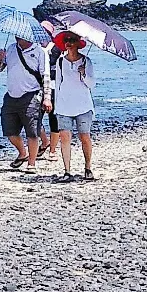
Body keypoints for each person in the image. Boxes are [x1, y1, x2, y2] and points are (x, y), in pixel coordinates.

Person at [0, 24, 51, 172]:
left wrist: (47, 98)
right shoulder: (11, 49)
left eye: (21, 34)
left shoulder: (40, 52)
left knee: (32, 131)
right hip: (11, 95)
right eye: (16, 33)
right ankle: (22, 153)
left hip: (31, 94)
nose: (17, 36)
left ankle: (31, 163)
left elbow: (46, 76)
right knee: (9, 131)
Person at [52, 30, 96, 180]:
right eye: (66, 40)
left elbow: (91, 84)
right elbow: (58, 83)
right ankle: (67, 171)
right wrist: (56, 105)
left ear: (78, 43)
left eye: (72, 39)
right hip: (64, 105)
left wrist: (83, 74)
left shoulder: (86, 61)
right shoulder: (60, 61)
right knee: (64, 137)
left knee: (84, 137)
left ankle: (88, 167)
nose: (68, 42)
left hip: (83, 105)